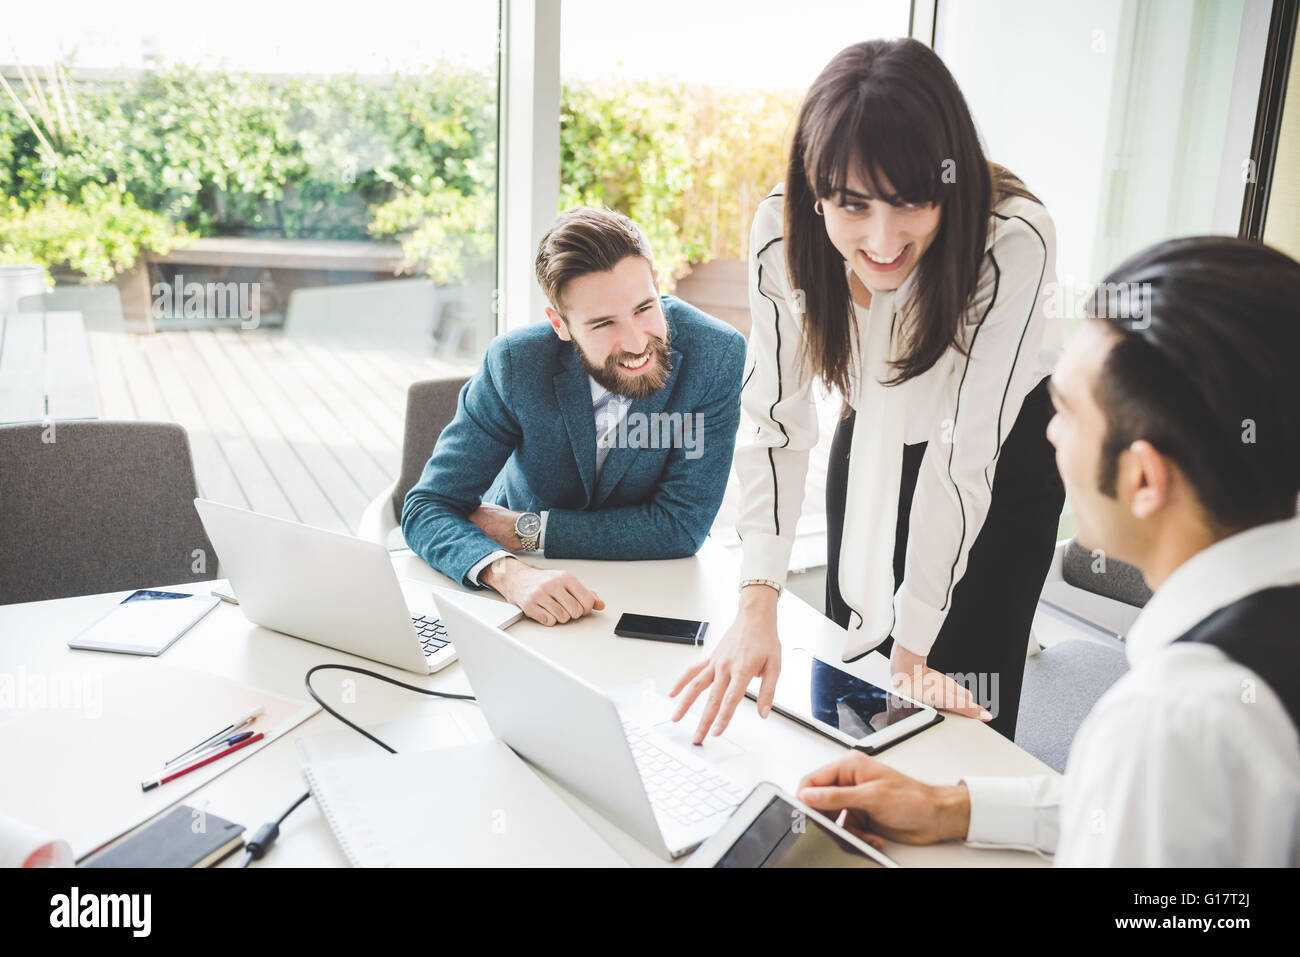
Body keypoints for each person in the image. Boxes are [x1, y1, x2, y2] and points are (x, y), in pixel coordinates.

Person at [793, 236, 1300, 866]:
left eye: (1066, 411)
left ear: (1144, 479)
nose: (1048, 435)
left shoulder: (1171, 724)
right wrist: (951, 807)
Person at [672, 38, 1065, 743]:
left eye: (911, 200)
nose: (882, 239)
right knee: (847, 692)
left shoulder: (1012, 241)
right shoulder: (782, 232)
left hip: (1001, 454)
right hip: (875, 424)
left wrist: (913, 653)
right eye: (852, 204)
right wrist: (756, 602)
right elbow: (776, 425)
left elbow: (961, 458)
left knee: (952, 707)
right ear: (815, 186)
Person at [401, 207, 747, 626]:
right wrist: (508, 573)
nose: (637, 342)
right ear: (560, 324)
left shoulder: (717, 354)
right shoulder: (515, 363)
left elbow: (681, 525)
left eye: (644, 308)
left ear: (657, 285)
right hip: (521, 588)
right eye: (603, 323)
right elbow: (427, 506)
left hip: (654, 587)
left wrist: (527, 529)